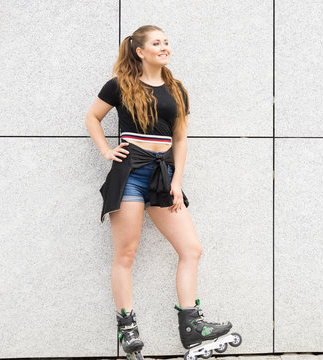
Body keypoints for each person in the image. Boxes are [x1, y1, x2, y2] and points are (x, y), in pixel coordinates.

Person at [84, 25, 239, 360]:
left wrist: (177, 180)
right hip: (130, 174)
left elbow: (180, 138)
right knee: (126, 253)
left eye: (166, 42)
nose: (165, 47)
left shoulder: (176, 88)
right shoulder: (120, 86)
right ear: (140, 51)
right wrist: (106, 150)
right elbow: (93, 117)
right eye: (157, 43)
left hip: (163, 176)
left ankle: (191, 325)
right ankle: (128, 327)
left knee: (191, 248)